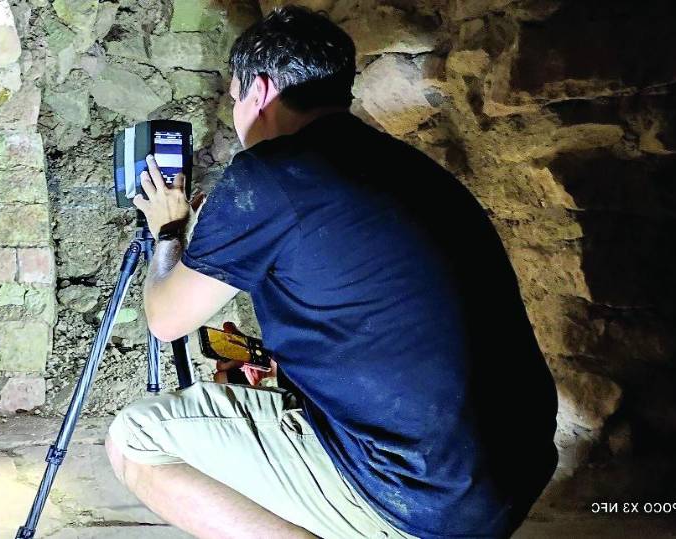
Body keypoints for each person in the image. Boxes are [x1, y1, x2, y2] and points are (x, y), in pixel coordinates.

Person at [105, 6, 559, 539]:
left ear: (261, 89)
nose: (236, 113)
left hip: (418, 495)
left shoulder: (270, 173)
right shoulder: (410, 169)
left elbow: (165, 320)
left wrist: (168, 233)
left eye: (235, 98)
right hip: (510, 473)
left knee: (135, 438)